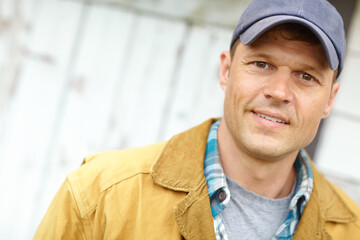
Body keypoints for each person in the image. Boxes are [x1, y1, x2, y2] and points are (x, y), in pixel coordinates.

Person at [34, 0, 360, 239]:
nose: (279, 91)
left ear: (330, 98)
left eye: (305, 76)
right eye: (262, 64)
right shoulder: (101, 194)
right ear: (226, 70)